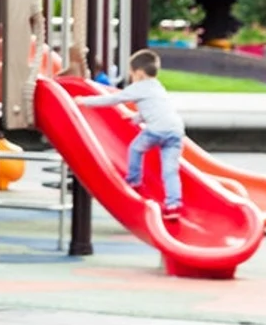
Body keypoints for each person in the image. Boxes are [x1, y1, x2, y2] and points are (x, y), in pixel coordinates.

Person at [76, 49, 187, 218]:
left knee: (135, 148)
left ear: (140, 73)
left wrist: (84, 101)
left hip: (156, 131)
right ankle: (174, 204)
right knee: (170, 170)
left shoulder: (139, 87)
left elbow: (113, 99)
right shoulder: (157, 87)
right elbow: (157, 109)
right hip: (176, 131)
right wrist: (136, 117)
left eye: (132, 74)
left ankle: (134, 181)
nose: (132, 77)